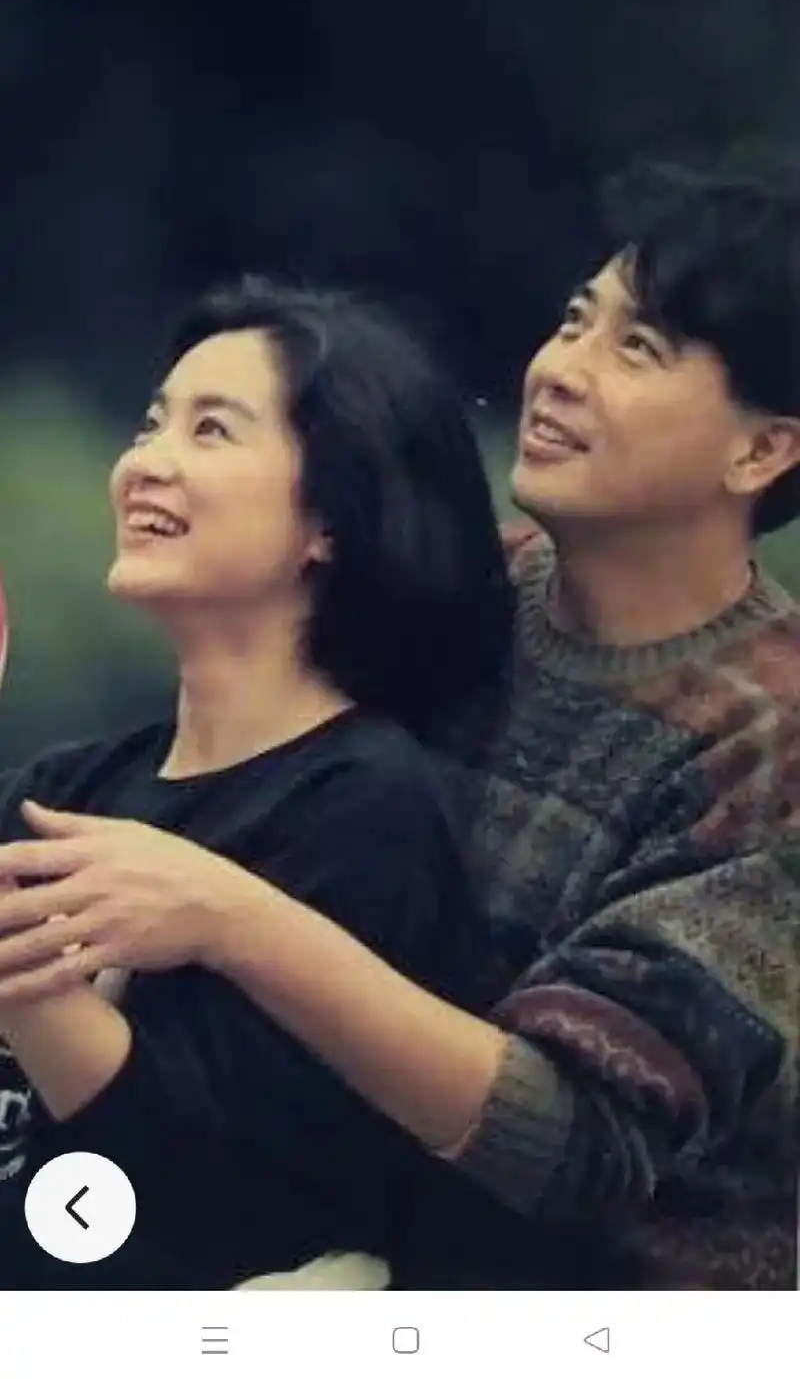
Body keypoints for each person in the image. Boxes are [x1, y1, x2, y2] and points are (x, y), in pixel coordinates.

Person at [1, 164, 799, 1291]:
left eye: (637, 349)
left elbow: (578, 1145)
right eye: (576, 319)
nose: (560, 370)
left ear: (760, 451)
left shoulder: (768, 741)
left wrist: (230, 918)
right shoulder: (456, 593)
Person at [0, 274, 515, 1290]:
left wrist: (30, 987)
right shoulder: (65, 786)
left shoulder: (369, 807)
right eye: (151, 424)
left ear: (331, 518)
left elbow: (210, 1203)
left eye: (211, 430)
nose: (146, 462)